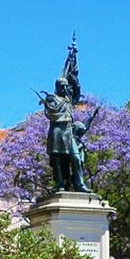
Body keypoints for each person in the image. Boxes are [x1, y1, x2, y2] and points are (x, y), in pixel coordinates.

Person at [39, 36, 92, 193]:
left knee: (75, 157)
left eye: (66, 85)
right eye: (62, 85)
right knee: (59, 160)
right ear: (57, 87)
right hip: (57, 131)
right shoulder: (52, 98)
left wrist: (74, 78)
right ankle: (60, 183)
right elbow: (50, 113)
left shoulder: (69, 99)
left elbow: (76, 91)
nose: (65, 87)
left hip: (69, 132)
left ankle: (79, 184)